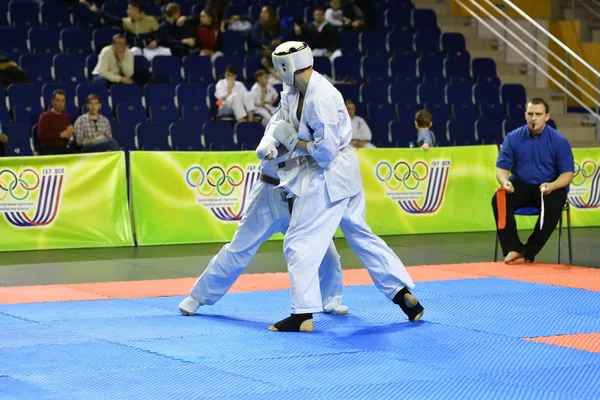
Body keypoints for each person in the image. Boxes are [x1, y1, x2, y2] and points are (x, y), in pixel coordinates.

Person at [260, 41, 423, 332]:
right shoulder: (294, 90)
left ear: (286, 66)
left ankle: (302, 316)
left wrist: (293, 142)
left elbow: (325, 152)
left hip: (331, 173)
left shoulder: (320, 97)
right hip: (344, 174)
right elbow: (282, 120)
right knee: (360, 233)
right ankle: (403, 295)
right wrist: (272, 140)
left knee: (299, 240)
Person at [178, 133, 348, 317]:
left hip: (300, 200)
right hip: (267, 197)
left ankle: (331, 300)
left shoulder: (318, 125)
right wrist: (268, 149)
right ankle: (197, 297)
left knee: (326, 252)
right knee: (239, 249)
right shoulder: (281, 119)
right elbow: (266, 146)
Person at [491, 98, 574, 264]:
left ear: (547, 116)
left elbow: (567, 175)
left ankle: (528, 251)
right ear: (525, 116)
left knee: (555, 202)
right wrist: (505, 182)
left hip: (548, 186)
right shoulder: (513, 138)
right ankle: (513, 248)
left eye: (538, 114)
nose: (534, 118)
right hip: (520, 185)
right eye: (530, 114)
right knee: (498, 198)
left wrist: (553, 185)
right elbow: (502, 170)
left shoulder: (559, 141)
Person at [37, 90, 73, 155]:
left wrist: (70, 135)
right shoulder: (45, 116)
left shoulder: (66, 118)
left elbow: (70, 136)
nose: (60, 104)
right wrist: (60, 135)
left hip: (63, 148)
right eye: (58, 100)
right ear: (53, 101)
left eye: (63, 101)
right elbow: (41, 135)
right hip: (49, 149)